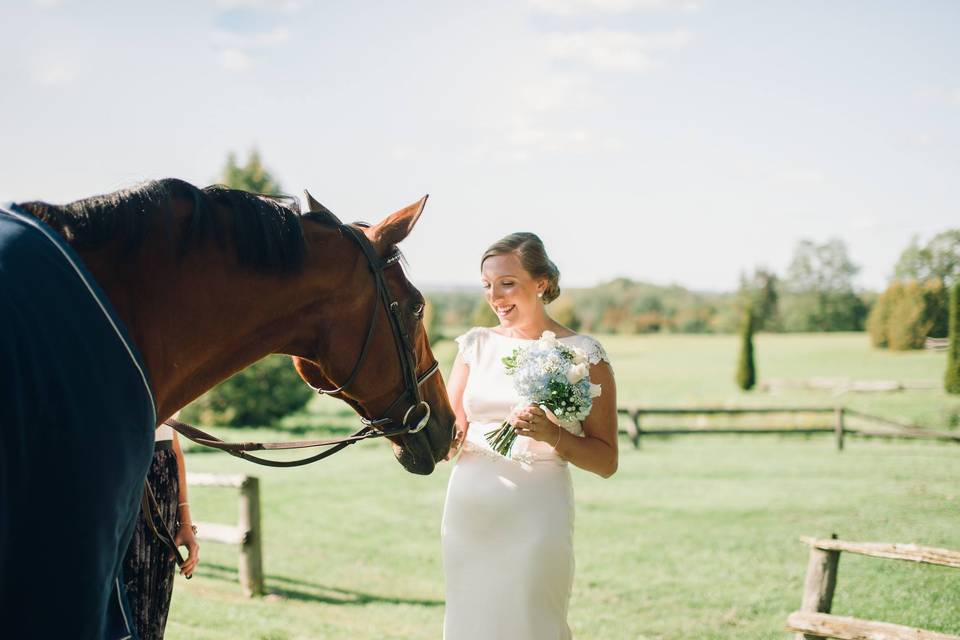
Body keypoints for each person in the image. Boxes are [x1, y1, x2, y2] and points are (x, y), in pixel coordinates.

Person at [441, 232, 618, 639]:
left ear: (541, 283)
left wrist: (553, 434)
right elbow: (449, 438)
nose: (495, 296)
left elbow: (607, 461)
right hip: (469, 510)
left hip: (537, 513)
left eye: (507, 283)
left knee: (531, 619)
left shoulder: (584, 354)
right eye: (487, 285)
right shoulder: (475, 345)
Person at [121, 422, 200, 640]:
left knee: (154, 614)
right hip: (126, 482)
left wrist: (185, 524)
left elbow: (175, 449)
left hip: (164, 490)